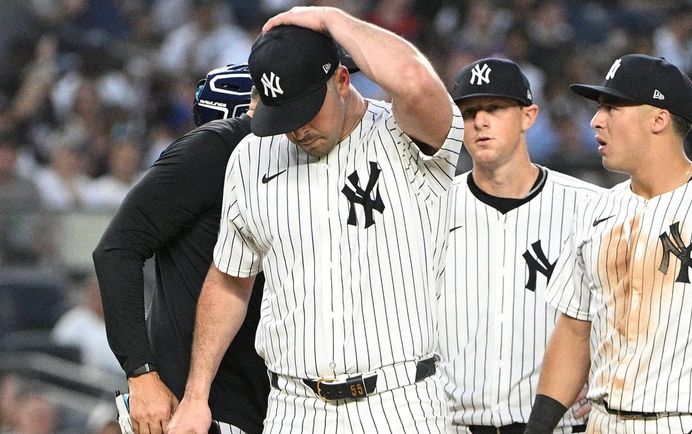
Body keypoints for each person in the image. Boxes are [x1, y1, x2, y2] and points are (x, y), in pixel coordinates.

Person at [168, 7, 464, 434]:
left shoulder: (405, 137)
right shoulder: (252, 157)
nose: (297, 129)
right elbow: (230, 279)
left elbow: (415, 80)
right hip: (294, 407)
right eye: (284, 115)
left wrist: (331, 20)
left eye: (306, 110)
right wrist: (197, 395)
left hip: (401, 403)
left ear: (342, 80)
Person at [524, 54, 692, 434]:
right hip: (602, 423)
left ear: (659, 118)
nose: (595, 119)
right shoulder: (597, 212)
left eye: (612, 106)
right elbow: (575, 330)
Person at [92, 64, 268, 434]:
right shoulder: (211, 149)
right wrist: (140, 373)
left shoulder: (293, 170)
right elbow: (117, 249)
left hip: (270, 397)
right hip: (198, 406)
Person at [438, 58, 601, 434]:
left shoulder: (589, 206)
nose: (479, 121)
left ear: (529, 116)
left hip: (552, 425)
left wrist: (607, 374)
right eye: (468, 112)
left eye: (494, 108)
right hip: (453, 425)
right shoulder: (433, 205)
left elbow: (626, 306)